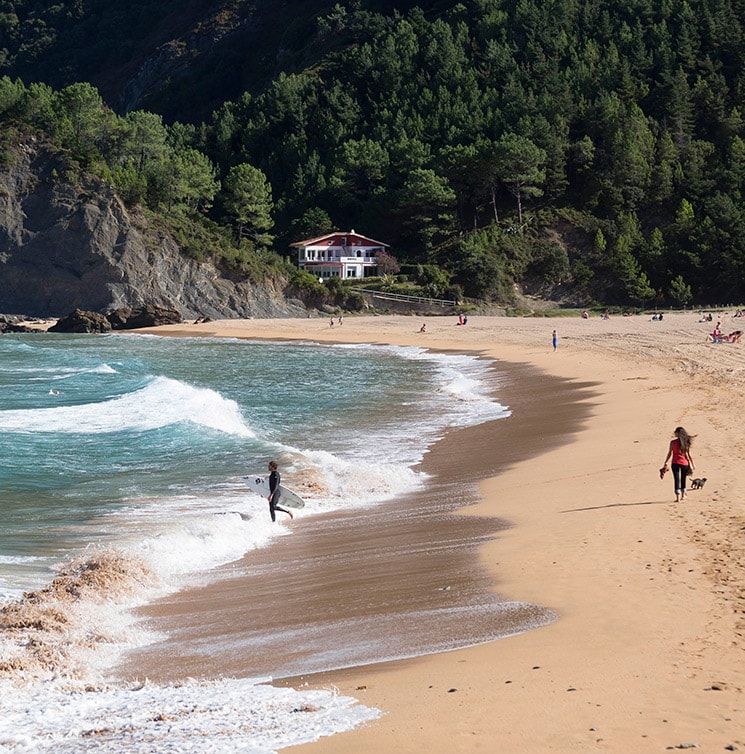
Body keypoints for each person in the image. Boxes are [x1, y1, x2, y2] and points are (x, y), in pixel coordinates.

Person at [661, 427, 695, 502]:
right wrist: (692, 464)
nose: (674, 433)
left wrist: (666, 462)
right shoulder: (686, 443)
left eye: (675, 432)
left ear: (678, 433)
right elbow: (689, 455)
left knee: (676, 480)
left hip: (675, 463)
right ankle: (683, 496)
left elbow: (670, 453)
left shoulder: (673, 442)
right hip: (684, 463)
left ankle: (678, 498)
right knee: (683, 479)